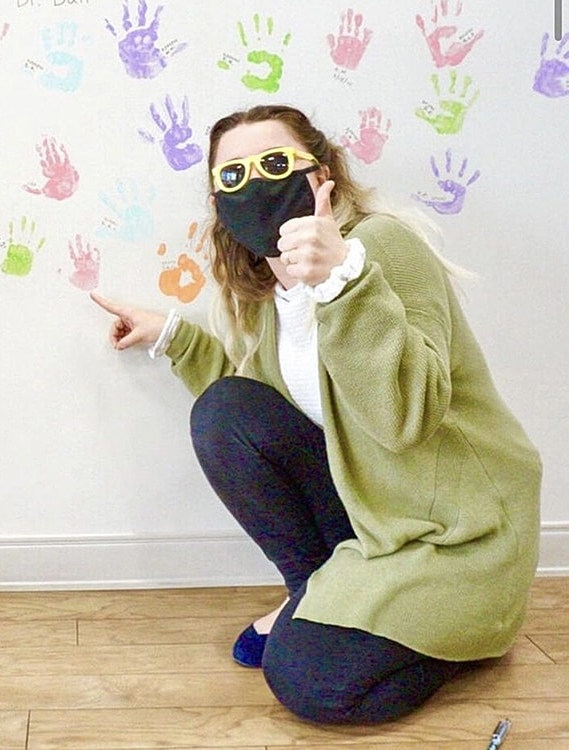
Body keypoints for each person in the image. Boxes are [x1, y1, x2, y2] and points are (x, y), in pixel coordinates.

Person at [91, 104, 541, 725]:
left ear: (321, 175)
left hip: (458, 538)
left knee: (307, 680)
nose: (255, 184)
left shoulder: (379, 249)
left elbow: (404, 420)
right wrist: (171, 335)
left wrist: (342, 282)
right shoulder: (276, 299)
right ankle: (318, 591)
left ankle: (462, 633)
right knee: (226, 412)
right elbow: (264, 413)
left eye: (275, 164)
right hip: (376, 517)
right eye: (233, 176)